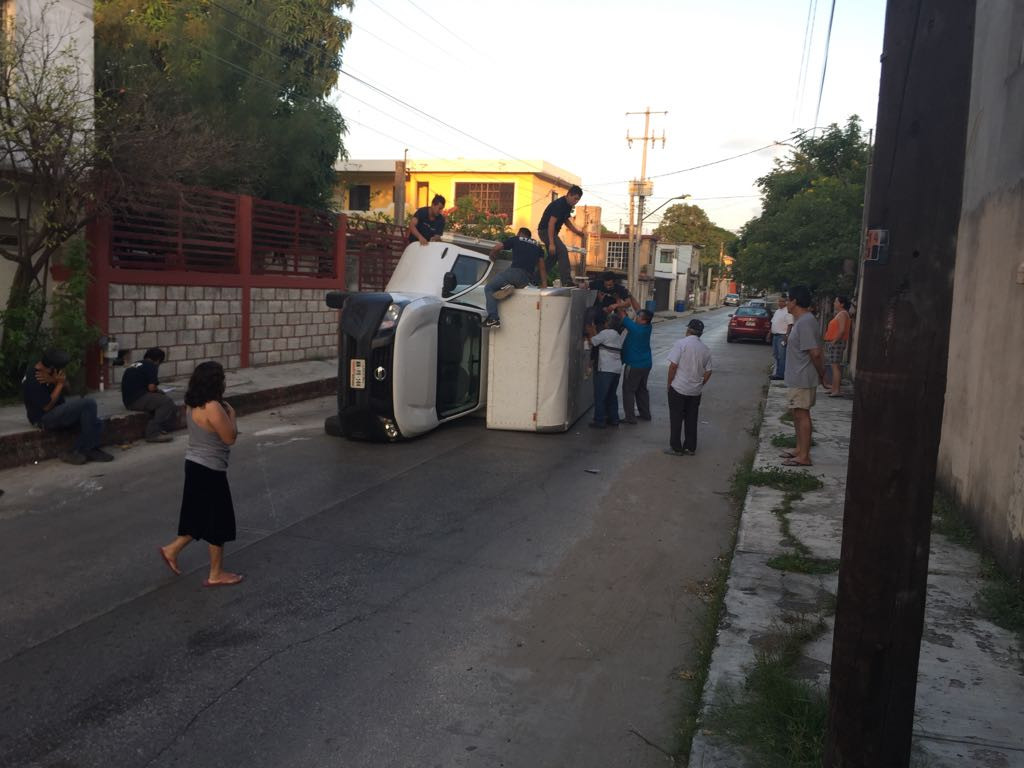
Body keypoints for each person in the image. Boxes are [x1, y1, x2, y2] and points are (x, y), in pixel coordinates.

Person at [158, 361, 243, 587]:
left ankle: (171, 550)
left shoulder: (192, 404)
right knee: (219, 521)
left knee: (199, 515)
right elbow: (230, 438)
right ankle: (216, 574)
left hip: (194, 464)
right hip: (210, 469)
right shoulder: (214, 407)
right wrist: (232, 415)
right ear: (217, 382)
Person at [22, 349, 113, 465]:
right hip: (44, 418)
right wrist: (59, 384)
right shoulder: (33, 379)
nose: (62, 371)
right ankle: (88, 449)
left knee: (97, 423)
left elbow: (68, 389)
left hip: (60, 412)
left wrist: (57, 381)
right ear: (52, 367)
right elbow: (46, 407)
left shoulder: (52, 372)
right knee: (88, 403)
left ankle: (74, 451)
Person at [781, 285, 825, 466]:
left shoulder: (806, 321)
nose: (786, 303)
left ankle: (804, 456)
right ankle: (799, 449)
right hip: (796, 376)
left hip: (803, 377)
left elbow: (815, 353)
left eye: (788, 299)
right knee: (796, 413)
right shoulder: (801, 321)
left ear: (795, 302)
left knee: (802, 414)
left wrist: (822, 374)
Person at [665, 318, 712, 456]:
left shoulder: (681, 344)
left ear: (688, 330)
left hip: (679, 387)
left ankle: (676, 448)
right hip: (695, 391)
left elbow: (673, 366)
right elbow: (709, 371)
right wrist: (701, 383)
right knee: (691, 418)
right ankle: (690, 448)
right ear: (700, 334)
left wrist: (669, 383)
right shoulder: (705, 349)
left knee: (676, 417)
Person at [482, 228, 546, 329]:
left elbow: (497, 248)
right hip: (526, 279)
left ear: (520, 234)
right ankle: (509, 287)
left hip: (515, 273)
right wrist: (544, 285)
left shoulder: (517, 239)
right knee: (504, 283)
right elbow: (542, 267)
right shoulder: (538, 246)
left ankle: (493, 318)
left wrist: (492, 256)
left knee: (489, 288)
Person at [121, 347, 177, 442]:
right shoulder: (151, 366)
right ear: (158, 360)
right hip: (137, 400)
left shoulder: (135, 364)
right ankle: (152, 434)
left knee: (157, 400)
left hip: (128, 400)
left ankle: (158, 429)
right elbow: (151, 388)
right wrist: (160, 392)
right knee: (166, 402)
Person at [538, 185, 585, 286]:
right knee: (562, 251)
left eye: (578, 200)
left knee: (553, 257)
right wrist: (551, 243)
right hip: (545, 231)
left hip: (550, 232)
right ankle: (567, 281)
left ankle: (535, 278)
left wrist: (577, 232)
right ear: (569, 195)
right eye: (575, 198)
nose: (576, 201)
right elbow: (551, 223)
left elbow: (566, 221)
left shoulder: (567, 206)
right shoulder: (559, 204)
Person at [585, 314, 624, 428]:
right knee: (612, 395)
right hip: (616, 370)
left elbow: (592, 341)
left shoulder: (606, 333)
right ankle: (614, 419)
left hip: (605, 369)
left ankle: (599, 420)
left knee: (600, 395)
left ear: (608, 323)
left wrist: (590, 329)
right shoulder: (618, 335)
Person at [620, 308, 653, 423]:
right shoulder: (648, 327)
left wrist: (619, 303)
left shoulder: (634, 328)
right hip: (646, 364)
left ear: (643, 320)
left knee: (628, 390)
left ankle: (630, 417)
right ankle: (645, 414)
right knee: (642, 389)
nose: (636, 317)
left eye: (638, 316)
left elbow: (622, 314)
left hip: (634, 365)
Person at [823, 295, 852, 397]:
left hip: (837, 342)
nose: (834, 303)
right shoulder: (839, 314)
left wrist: (834, 341)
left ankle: (836, 390)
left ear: (841, 304)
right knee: (833, 366)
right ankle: (834, 389)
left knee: (835, 367)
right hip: (835, 342)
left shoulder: (843, 314)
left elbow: (842, 330)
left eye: (836, 302)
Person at [770, 294, 794, 380]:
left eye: (782, 301)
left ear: (786, 302)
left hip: (782, 336)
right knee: (776, 355)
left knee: (782, 356)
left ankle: (781, 374)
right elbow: (773, 323)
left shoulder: (787, 311)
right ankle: (777, 372)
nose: (780, 303)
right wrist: (769, 334)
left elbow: (790, 325)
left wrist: (787, 336)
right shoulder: (777, 311)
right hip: (775, 336)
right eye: (779, 301)